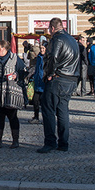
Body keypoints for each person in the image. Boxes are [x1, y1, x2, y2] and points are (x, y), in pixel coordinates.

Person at [37, 17, 81, 153]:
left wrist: (49, 74)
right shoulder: (72, 40)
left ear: (52, 28)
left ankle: (50, 142)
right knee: (62, 110)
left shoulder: (57, 39)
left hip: (59, 78)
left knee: (48, 108)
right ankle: (63, 142)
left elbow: (53, 58)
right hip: (71, 78)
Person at [28, 42, 46, 124]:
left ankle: (46, 118)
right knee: (35, 101)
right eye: (41, 48)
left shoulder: (48, 58)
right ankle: (36, 116)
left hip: (44, 83)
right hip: (37, 81)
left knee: (44, 103)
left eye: (43, 48)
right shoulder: (38, 57)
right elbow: (37, 69)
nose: (42, 50)